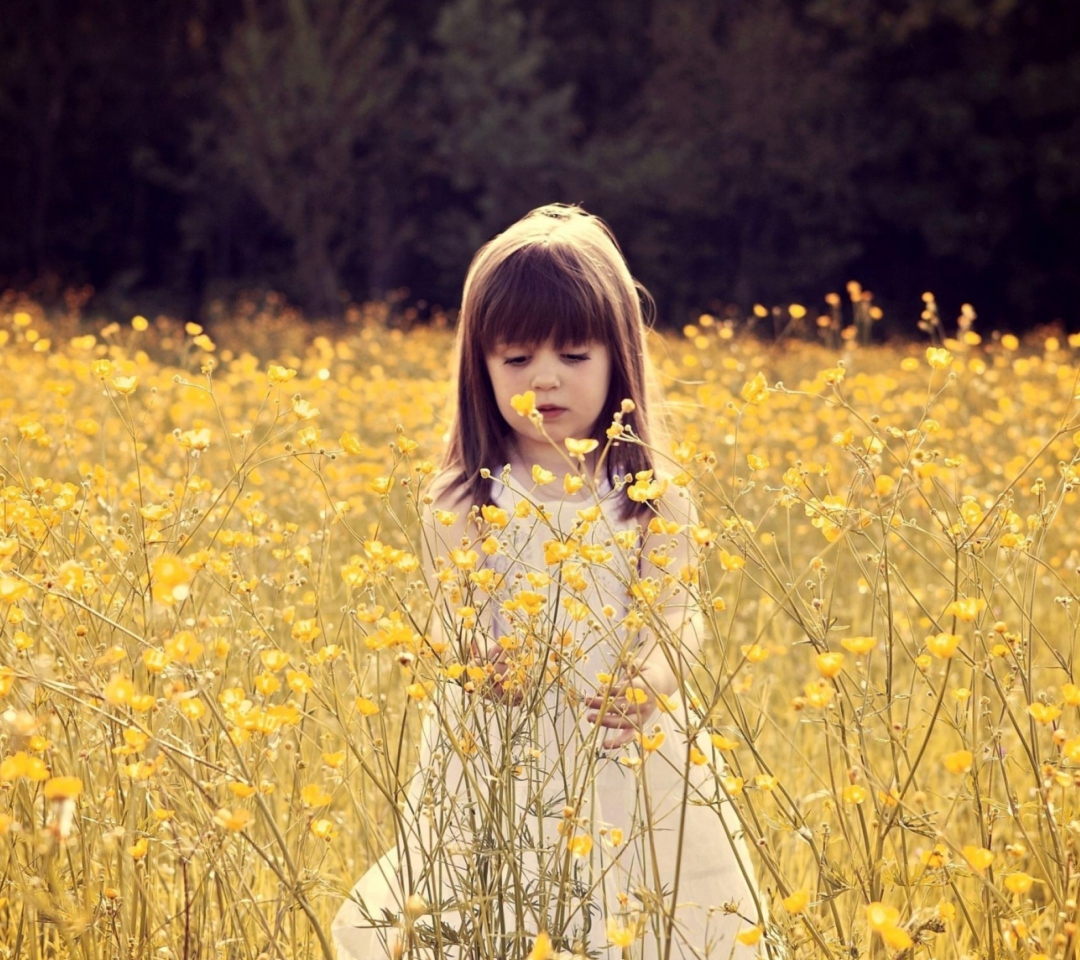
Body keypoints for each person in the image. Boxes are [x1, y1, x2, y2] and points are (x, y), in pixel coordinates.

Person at [333, 205, 764, 959]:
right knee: (493, 918)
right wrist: (475, 657)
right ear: (482, 368)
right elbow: (451, 619)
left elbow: (680, 616)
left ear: (618, 359)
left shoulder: (653, 492)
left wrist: (649, 681)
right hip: (500, 753)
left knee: (652, 920)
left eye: (573, 354)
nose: (544, 378)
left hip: (628, 747)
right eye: (516, 358)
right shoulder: (467, 497)